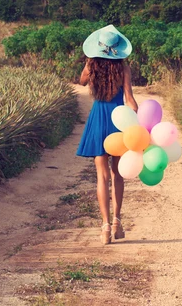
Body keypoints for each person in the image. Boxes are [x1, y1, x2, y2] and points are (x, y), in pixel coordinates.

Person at [76, 25, 138, 245]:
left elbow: (81, 82)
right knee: (117, 175)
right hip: (117, 119)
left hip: (97, 118)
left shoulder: (91, 66)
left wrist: (88, 66)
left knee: (101, 176)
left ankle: (104, 228)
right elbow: (130, 100)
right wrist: (136, 122)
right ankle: (117, 223)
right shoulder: (124, 69)